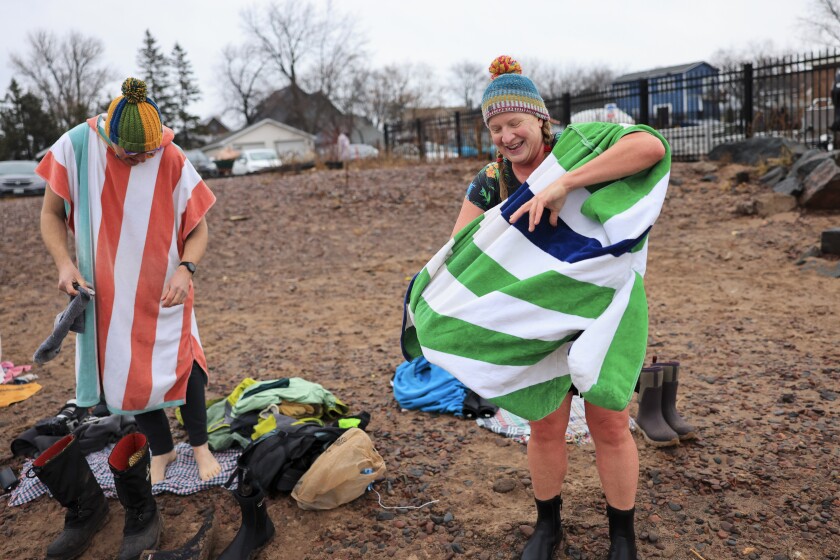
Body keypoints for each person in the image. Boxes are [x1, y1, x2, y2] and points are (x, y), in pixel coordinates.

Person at [450, 56, 667, 560]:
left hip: (598, 309)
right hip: (533, 318)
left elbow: (650, 147)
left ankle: (622, 538)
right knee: (545, 423)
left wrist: (564, 184)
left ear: (540, 119)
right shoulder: (491, 179)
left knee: (609, 420)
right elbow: (461, 247)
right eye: (496, 127)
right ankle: (548, 528)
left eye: (515, 123)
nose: (506, 136)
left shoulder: (576, 149)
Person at [37, 77, 221, 486]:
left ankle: (200, 445)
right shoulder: (76, 148)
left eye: (148, 152)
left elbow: (199, 227)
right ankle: (162, 449)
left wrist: (185, 269)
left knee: (184, 365)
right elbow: (50, 214)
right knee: (129, 374)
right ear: (110, 136)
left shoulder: (170, 155)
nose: (141, 159)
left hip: (166, 288)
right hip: (108, 294)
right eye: (131, 153)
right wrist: (64, 264)